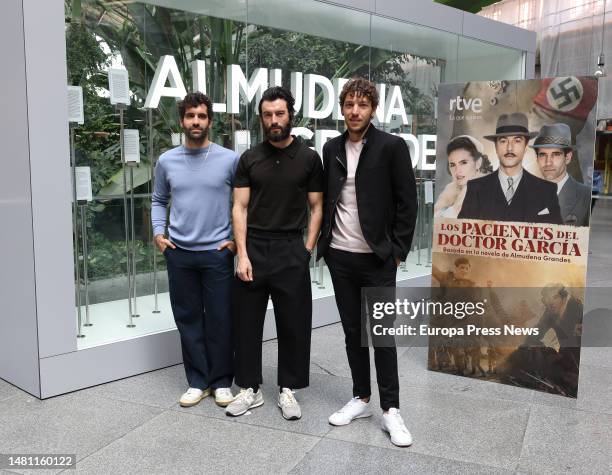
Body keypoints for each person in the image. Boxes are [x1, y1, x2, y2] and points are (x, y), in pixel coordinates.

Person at [317, 78, 418, 447]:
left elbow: (408, 202)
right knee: (351, 332)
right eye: (349, 105)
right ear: (341, 108)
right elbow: (329, 199)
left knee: (382, 334)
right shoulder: (331, 149)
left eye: (362, 105)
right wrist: (325, 247)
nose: (355, 111)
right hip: (340, 257)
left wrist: (397, 250)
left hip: (377, 258)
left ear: (373, 109)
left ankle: (391, 409)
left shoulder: (391, 147)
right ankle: (361, 398)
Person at [226, 86, 323, 421]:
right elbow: (239, 208)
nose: (274, 120)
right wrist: (242, 254)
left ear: (290, 115)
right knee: (246, 322)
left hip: (290, 249)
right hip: (254, 247)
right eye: (267, 115)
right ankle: (249, 389)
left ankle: (287, 389)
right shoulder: (249, 158)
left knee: (294, 323)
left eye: (279, 113)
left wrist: (306, 249)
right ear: (261, 119)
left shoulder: (309, 158)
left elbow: (318, 207)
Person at [151, 92, 238, 408]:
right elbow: (158, 200)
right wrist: (159, 234)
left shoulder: (229, 159)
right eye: (191, 116)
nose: (196, 121)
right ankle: (198, 381)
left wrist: (236, 243)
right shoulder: (167, 161)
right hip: (180, 253)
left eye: (202, 116)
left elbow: (243, 203)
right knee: (188, 318)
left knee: (220, 319)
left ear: (210, 121)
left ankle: (221, 381)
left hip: (217, 253)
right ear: (182, 121)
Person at [458, 113, 562, 224]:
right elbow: (461, 234)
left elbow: (556, 238)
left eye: (517, 141)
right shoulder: (475, 188)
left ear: (526, 147)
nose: (509, 148)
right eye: (503, 141)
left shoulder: (547, 190)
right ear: (496, 147)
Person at [533, 123, 591, 226]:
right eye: (543, 155)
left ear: (567, 157)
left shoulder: (586, 197)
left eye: (556, 154)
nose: (548, 162)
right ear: (537, 158)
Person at [434, 135, 492, 218]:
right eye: (452, 165)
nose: (457, 170)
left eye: (463, 163)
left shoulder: (489, 189)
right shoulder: (450, 189)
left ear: (478, 163)